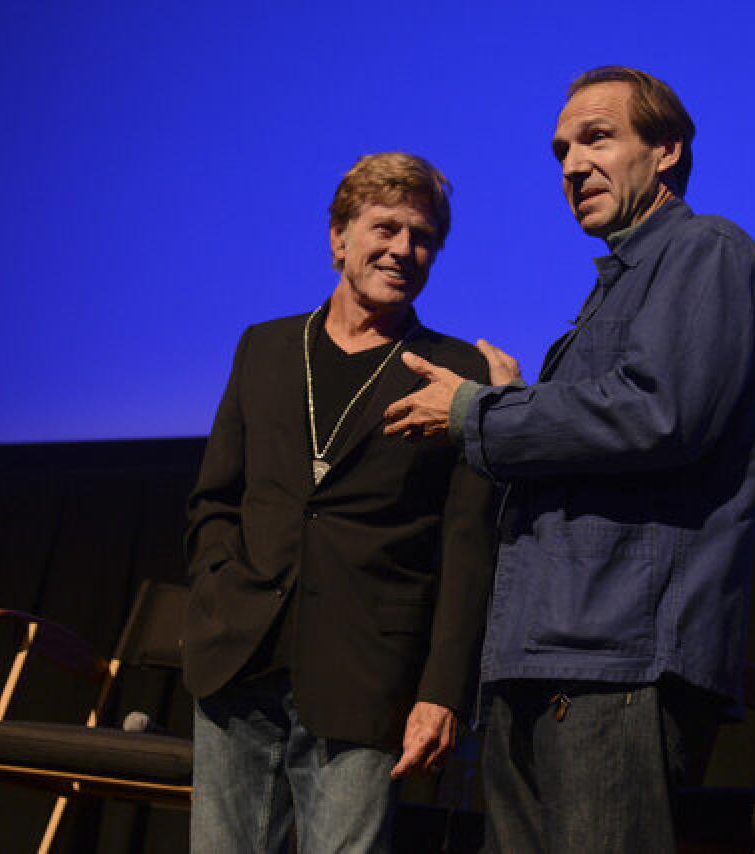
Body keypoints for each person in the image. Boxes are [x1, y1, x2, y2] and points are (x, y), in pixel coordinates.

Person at [383, 67, 755, 851]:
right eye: (560, 149)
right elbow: (599, 434)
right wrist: (514, 403)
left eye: (596, 138)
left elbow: (659, 414)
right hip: (543, 660)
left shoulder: (708, 250)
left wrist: (480, 411)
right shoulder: (609, 292)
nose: (569, 164)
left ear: (666, 151)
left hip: (618, 666)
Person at [181, 152, 495, 853]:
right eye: (386, 227)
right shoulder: (263, 348)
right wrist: (216, 593)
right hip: (240, 664)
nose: (402, 250)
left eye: (422, 237)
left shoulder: (453, 374)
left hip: (367, 679)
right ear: (338, 237)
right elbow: (214, 499)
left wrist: (441, 690)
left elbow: (468, 547)